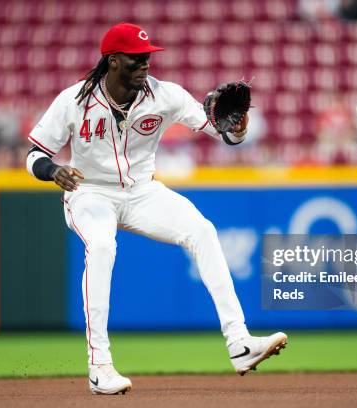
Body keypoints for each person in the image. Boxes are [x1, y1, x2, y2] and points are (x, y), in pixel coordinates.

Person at [25, 23, 287, 395]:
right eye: (136, 58)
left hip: (143, 191)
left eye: (148, 57)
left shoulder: (166, 96)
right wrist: (53, 170)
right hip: (90, 192)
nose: (145, 64)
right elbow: (34, 154)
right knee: (101, 247)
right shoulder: (74, 100)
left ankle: (239, 342)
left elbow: (224, 134)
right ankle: (99, 365)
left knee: (203, 230)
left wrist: (239, 128)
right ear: (113, 60)